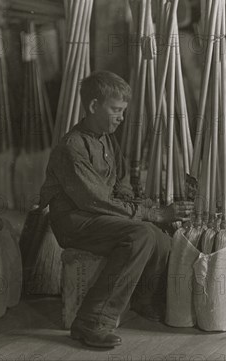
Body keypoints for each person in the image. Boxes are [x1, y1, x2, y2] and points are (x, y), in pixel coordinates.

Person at [39, 71, 193, 348]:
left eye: (123, 111)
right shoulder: (71, 147)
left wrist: (146, 207)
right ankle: (91, 321)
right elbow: (95, 199)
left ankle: (145, 301)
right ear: (94, 106)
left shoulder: (106, 139)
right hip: (75, 221)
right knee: (141, 234)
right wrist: (154, 214)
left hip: (99, 217)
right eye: (116, 110)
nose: (121, 117)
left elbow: (121, 185)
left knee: (159, 236)